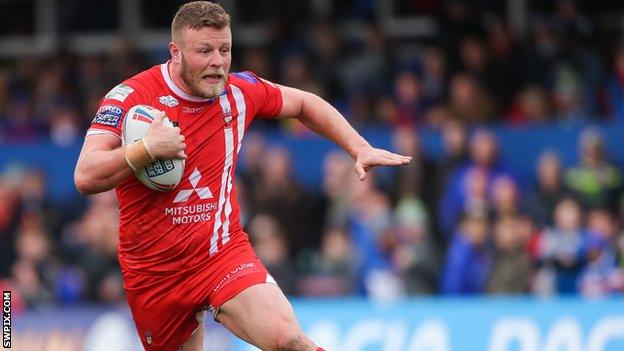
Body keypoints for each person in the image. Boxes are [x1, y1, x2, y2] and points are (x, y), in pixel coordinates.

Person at [73, 2, 411, 351]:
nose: (217, 61)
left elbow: (305, 104)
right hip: (154, 275)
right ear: (175, 52)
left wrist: (358, 146)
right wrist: (146, 148)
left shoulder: (239, 92)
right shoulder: (131, 97)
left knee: (290, 340)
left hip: (221, 255)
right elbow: (85, 175)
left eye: (225, 50)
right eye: (204, 51)